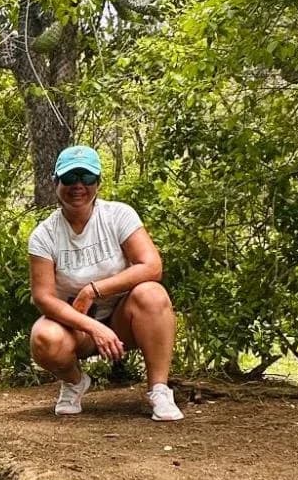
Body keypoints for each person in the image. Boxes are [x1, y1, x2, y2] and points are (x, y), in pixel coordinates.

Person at [27, 144, 184, 421]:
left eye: (86, 178)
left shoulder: (118, 216)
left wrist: (94, 289)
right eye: (70, 178)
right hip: (76, 325)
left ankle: (159, 389)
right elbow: (43, 297)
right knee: (44, 338)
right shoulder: (44, 235)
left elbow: (152, 265)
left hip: (124, 318)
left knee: (153, 294)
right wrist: (92, 327)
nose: (78, 186)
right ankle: (75, 383)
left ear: (98, 182)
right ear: (55, 182)